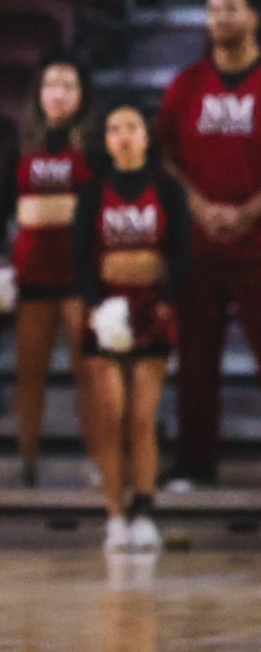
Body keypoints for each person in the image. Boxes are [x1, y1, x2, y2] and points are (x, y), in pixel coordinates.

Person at [155, 0, 261, 491]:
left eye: (232, 9)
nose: (220, 18)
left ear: (254, 17)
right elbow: (164, 156)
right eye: (213, 9)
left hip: (258, 243)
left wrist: (251, 209)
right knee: (196, 361)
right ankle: (196, 465)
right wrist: (197, 204)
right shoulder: (186, 84)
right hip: (200, 245)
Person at [74, 103, 188, 553]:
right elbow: (80, 257)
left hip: (152, 309)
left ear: (147, 135)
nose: (122, 135)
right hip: (106, 311)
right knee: (111, 415)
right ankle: (115, 515)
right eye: (114, 127)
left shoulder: (168, 189)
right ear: (105, 139)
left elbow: (182, 253)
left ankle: (144, 508)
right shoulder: (91, 192)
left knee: (142, 417)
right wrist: (96, 306)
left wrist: (166, 301)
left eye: (132, 126)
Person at [0, 57, 97, 487]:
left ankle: (97, 460)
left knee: (90, 372)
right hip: (32, 270)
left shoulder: (94, 143)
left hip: (80, 271)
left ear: (82, 94)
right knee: (29, 373)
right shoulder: (21, 144)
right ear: (38, 93)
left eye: (68, 84)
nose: (59, 93)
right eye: (51, 84)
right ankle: (27, 459)